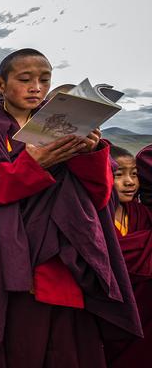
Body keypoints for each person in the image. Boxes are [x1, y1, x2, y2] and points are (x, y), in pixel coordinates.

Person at [0, 48, 142, 368]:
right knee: (21, 343)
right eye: (25, 80)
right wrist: (33, 164)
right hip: (11, 253)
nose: (36, 88)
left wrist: (90, 152)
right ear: (0, 84)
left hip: (67, 249)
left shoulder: (59, 122)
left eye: (44, 80)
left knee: (69, 346)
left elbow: (97, 198)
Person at [104, 146, 152, 368]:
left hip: (144, 312)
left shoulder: (144, 215)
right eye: (119, 174)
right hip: (109, 313)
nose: (130, 181)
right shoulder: (95, 217)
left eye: (134, 173)